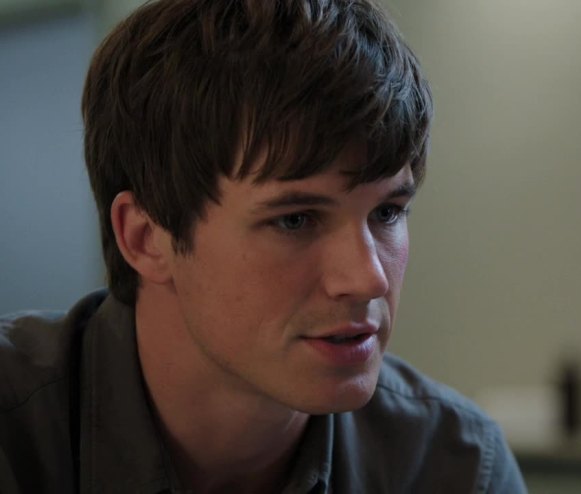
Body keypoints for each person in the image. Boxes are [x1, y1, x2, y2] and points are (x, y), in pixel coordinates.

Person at [0, 0, 527, 492]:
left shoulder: (455, 466)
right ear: (145, 238)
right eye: (295, 220)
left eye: (387, 212)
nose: (369, 279)